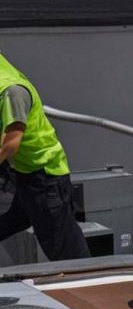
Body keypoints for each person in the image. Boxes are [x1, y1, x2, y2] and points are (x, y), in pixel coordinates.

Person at [0, 53, 90, 261]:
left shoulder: (12, 92)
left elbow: (10, 146)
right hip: (25, 173)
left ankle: (84, 280)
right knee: (13, 220)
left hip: (45, 176)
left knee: (62, 246)